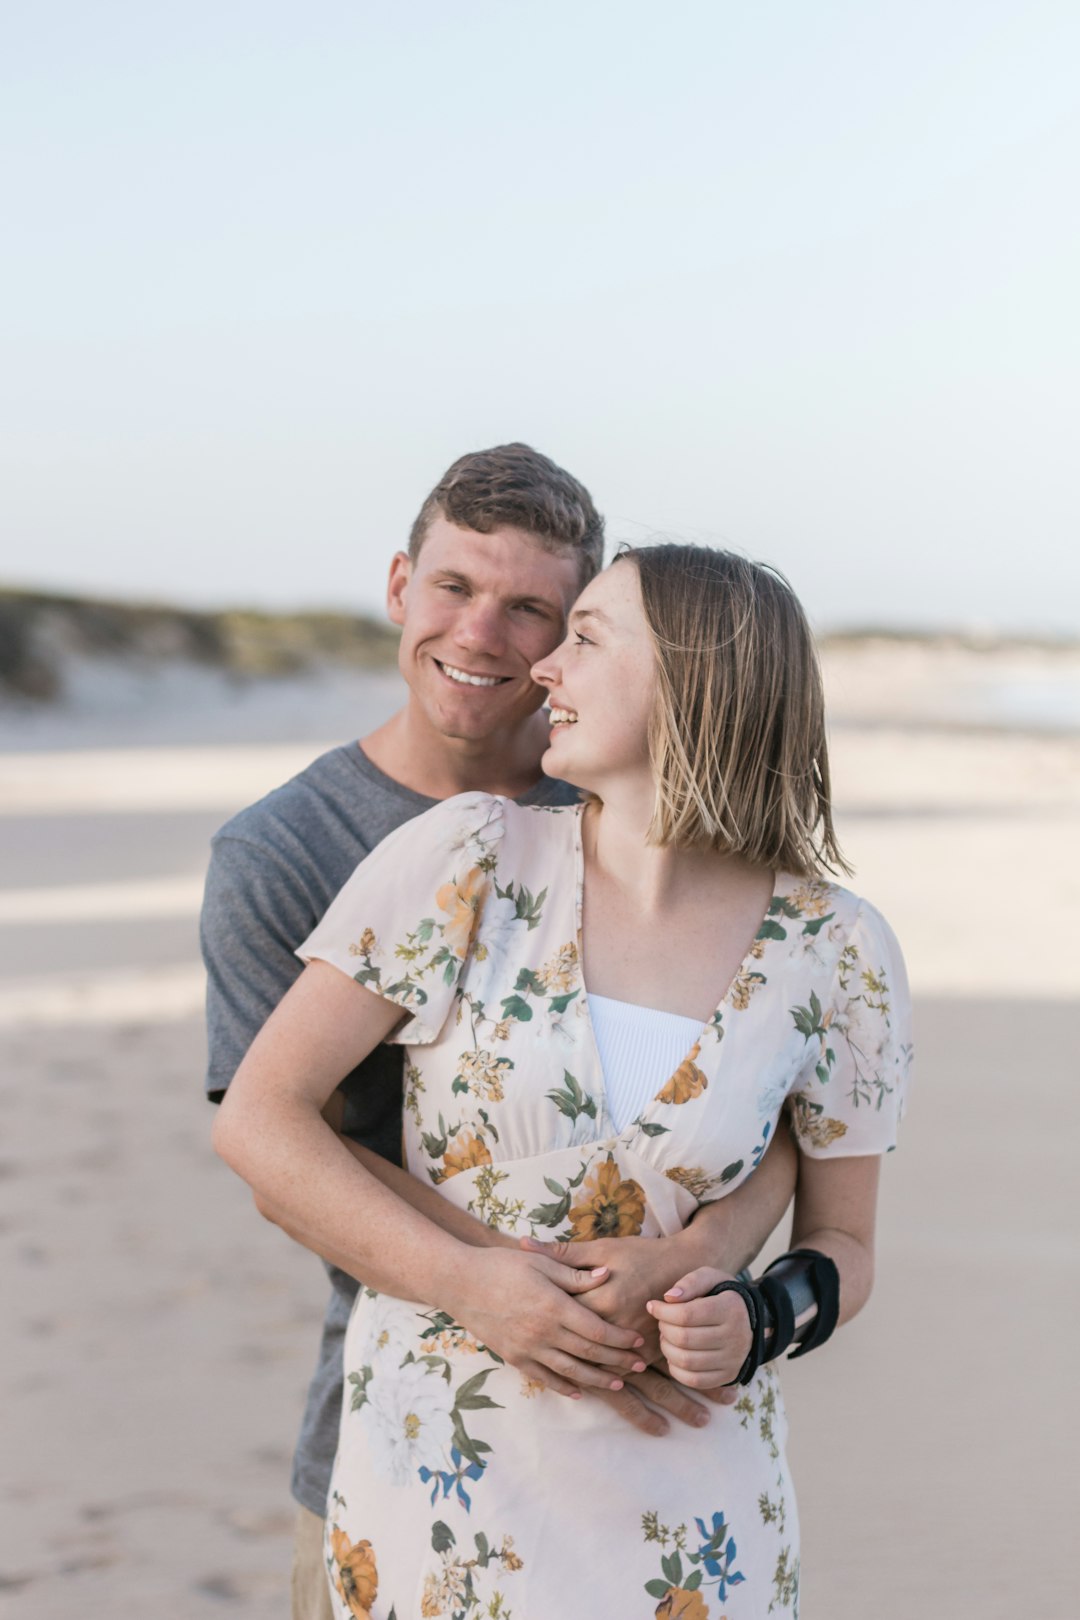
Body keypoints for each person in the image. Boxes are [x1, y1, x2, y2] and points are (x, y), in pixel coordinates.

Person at [214, 539, 912, 1618]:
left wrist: (757, 1315)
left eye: (584, 639)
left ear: (693, 676)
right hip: (443, 1469)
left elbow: (847, 1245)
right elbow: (262, 1121)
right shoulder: (466, 860)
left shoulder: (838, 947)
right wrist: (472, 1284)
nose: (545, 668)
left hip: (690, 1505)